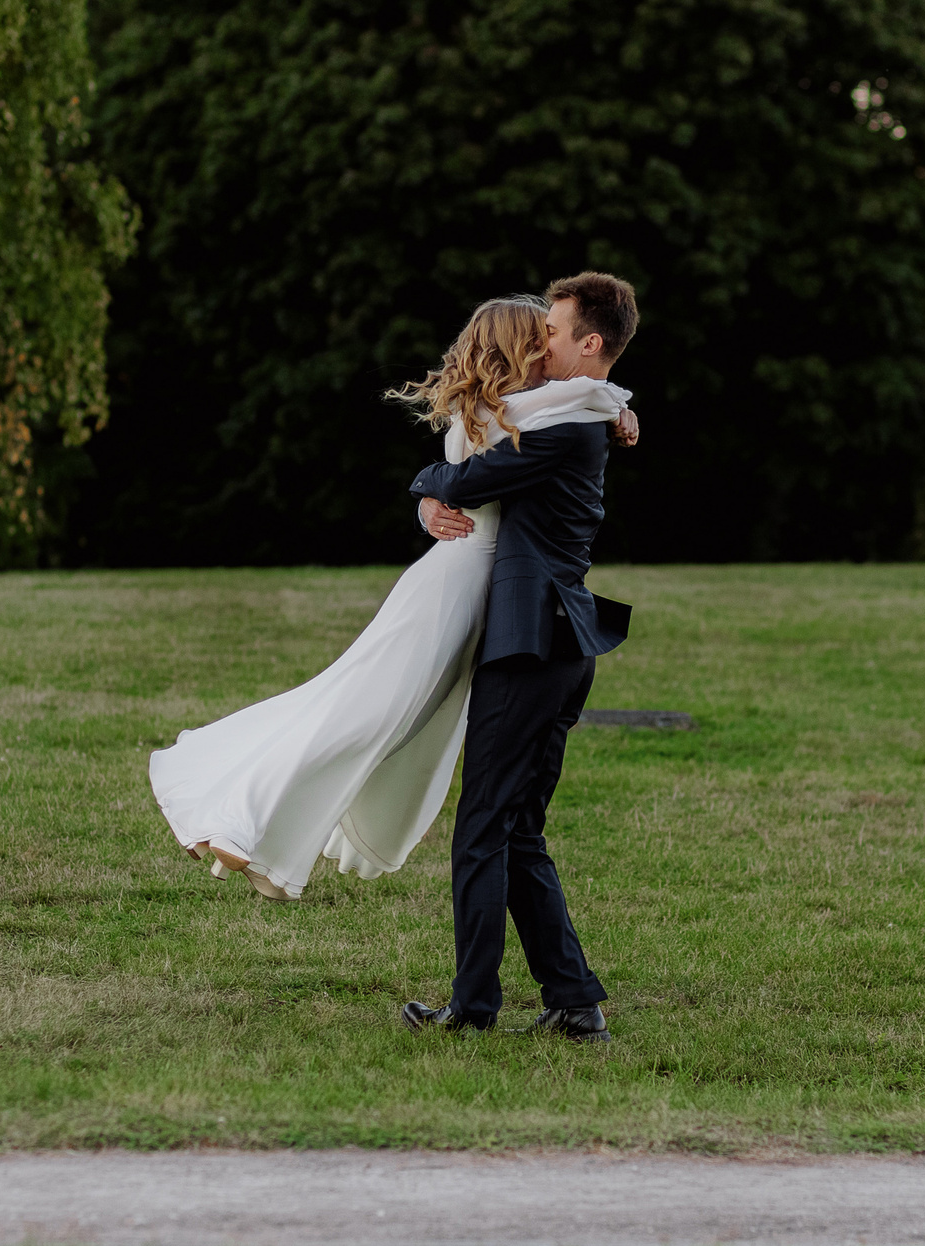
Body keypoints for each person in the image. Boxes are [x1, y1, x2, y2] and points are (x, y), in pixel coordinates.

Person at [146, 293, 636, 904]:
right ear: (516, 350)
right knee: (362, 714)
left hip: (469, 591)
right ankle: (238, 818)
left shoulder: (514, 409)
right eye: (539, 340)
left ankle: (268, 834)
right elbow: (544, 424)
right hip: (451, 592)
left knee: (386, 725)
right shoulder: (509, 412)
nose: (549, 350)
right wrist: (430, 488)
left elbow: (578, 401)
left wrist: (615, 407)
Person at [398, 271, 638, 1043]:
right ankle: (575, 1002)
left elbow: (473, 474)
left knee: (482, 827)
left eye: (556, 333)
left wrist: (428, 485)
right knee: (517, 830)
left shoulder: (570, 426)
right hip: (556, 646)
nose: (545, 342)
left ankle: (472, 1008)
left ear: (589, 344)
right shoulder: (581, 412)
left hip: (531, 645)